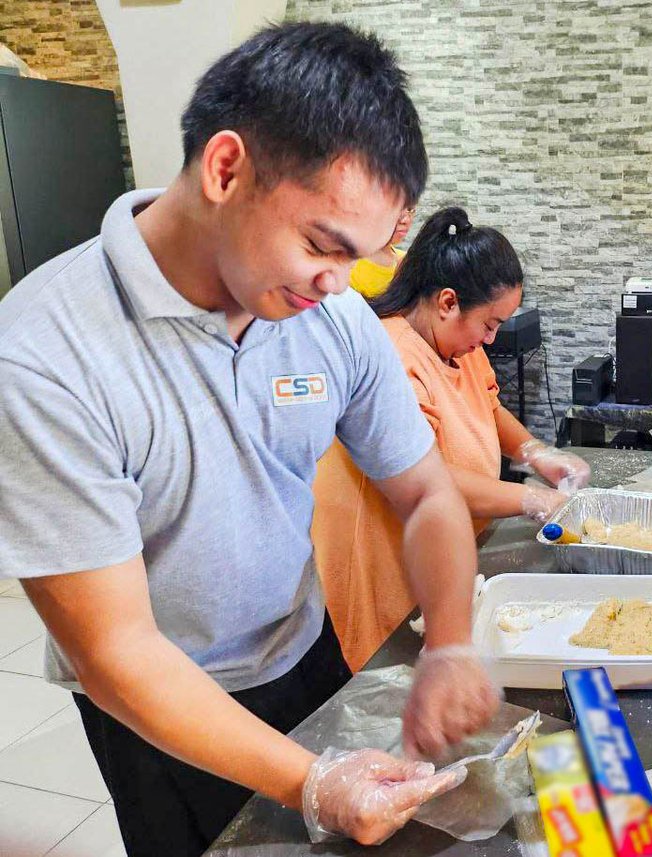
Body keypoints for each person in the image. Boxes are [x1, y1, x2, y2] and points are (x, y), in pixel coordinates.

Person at [0, 23, 499, 855]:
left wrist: (448, 641)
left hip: (305, 653)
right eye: (319, 245)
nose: (336, 283)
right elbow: (114, 651)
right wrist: (310, 779)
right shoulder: (44, 355)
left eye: (360, 259)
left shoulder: (332, 318)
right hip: (160, 709)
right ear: (225, 168)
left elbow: (427, 493)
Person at [313, 205, 590, 671]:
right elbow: (427, 477)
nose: (491, 338)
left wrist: (537, 453)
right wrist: (530, 500)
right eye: (489, 324)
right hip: (389, 566)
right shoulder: (393, 355)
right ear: (446, 302)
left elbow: (489, 406)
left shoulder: (457, 343)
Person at [350, 206, 414, 298]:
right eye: (397, 209)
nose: (405, 220)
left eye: (410, 210)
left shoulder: (410, 261)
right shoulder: (348, 269)